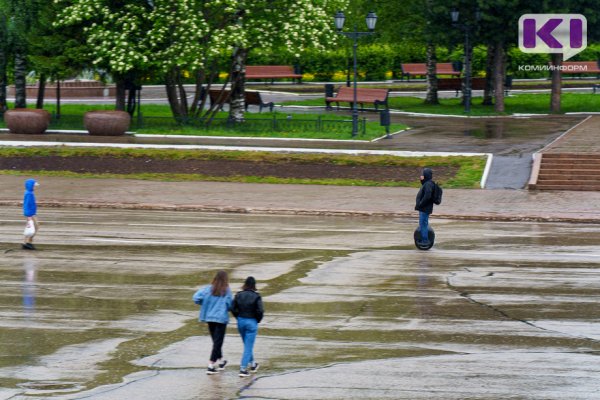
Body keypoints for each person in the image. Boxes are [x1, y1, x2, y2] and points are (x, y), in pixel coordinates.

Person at [192, 270, 233, 375]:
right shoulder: (226, 290)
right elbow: (230, 305)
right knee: (218, 342)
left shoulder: (208, 289)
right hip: (221, 319)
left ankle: (221, 361)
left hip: (209, 318)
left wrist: (205, 303)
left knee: (216, 341)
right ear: (225, 279)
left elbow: (196, 298)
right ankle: (210, 365)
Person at [232, 276, 264, 377]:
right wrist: (257, 320)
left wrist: (238, 317)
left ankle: (253, 364)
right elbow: (260, 310)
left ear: (245, 284)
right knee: (248, 346)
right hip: (251, 322)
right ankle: (243, 368)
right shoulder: (257, 296)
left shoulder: (238, 295)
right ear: (254, 285)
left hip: (241, 321)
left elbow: (233, 308)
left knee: (247, 345)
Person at [414, 167, 435, 246]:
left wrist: (421, 204)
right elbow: (424, 184)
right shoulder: (427, 183)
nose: (421, 176)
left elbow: (428, 195)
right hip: (424, 208)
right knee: (423, 223)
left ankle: (425, 241)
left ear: (426, 175)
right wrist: (422, 179)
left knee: (423, 223)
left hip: (424, 208)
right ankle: (424, 238)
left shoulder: (428, 184)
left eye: (423, 175)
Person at [22, 179, 40, 250]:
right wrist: (29, 216)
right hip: (30, 214)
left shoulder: (30, 192)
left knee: (30, 228)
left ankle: (26, 242)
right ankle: (28, 243)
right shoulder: (29, 194)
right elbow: (26, 205)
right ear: (31, 186)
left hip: (31, 213)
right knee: (36, 227)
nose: (35, 187)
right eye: (34, 186)